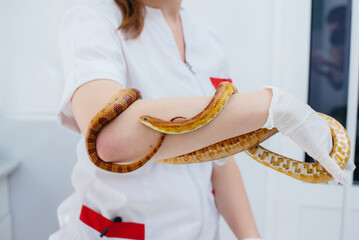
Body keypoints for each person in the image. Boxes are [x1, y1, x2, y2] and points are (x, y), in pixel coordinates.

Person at [50, 0, 352, 239]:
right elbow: (108, 139)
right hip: (120, 231)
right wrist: (272, 105)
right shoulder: (94, 22)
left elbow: (220, 160)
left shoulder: (209, 41)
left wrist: (250, 237)